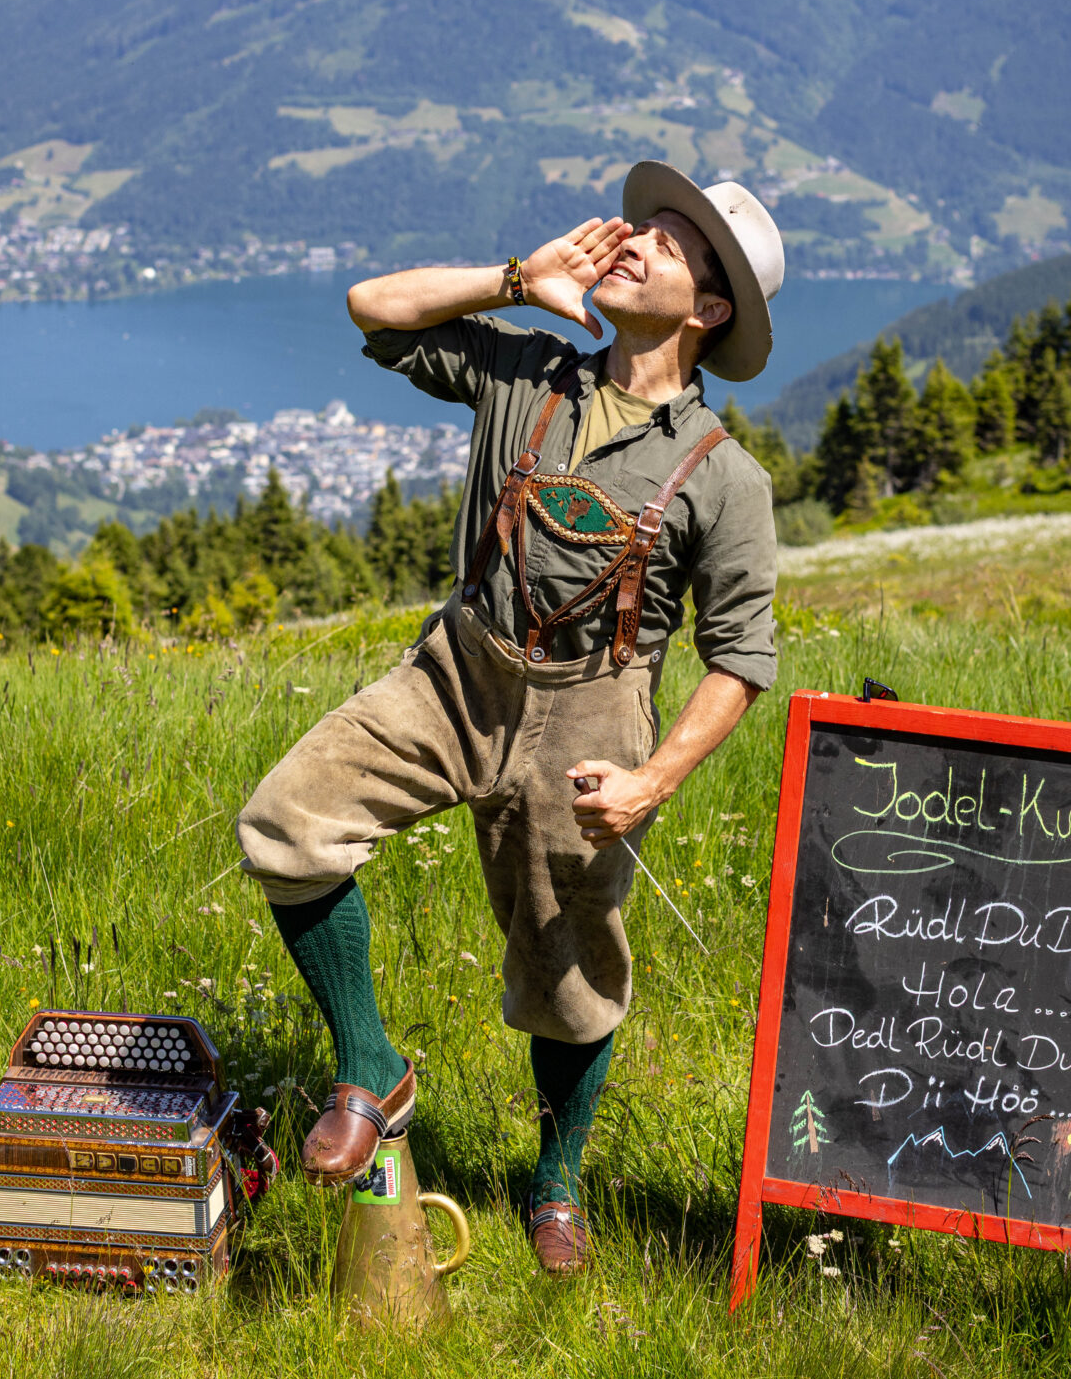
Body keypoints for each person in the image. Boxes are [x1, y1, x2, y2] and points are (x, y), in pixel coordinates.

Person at [236, 160, 784, 1272]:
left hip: (599, 713)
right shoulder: (524, 371)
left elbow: (739, 660)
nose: (633, 241)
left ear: (708, 310)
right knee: (286, 824)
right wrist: (515, 279)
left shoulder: (727, 480)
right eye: (638, 226)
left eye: (668, 245)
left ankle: (557, 1184)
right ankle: (367, 1065)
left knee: (569, 968)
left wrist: (652, 781)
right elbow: (372, 308)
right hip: (460, 668)